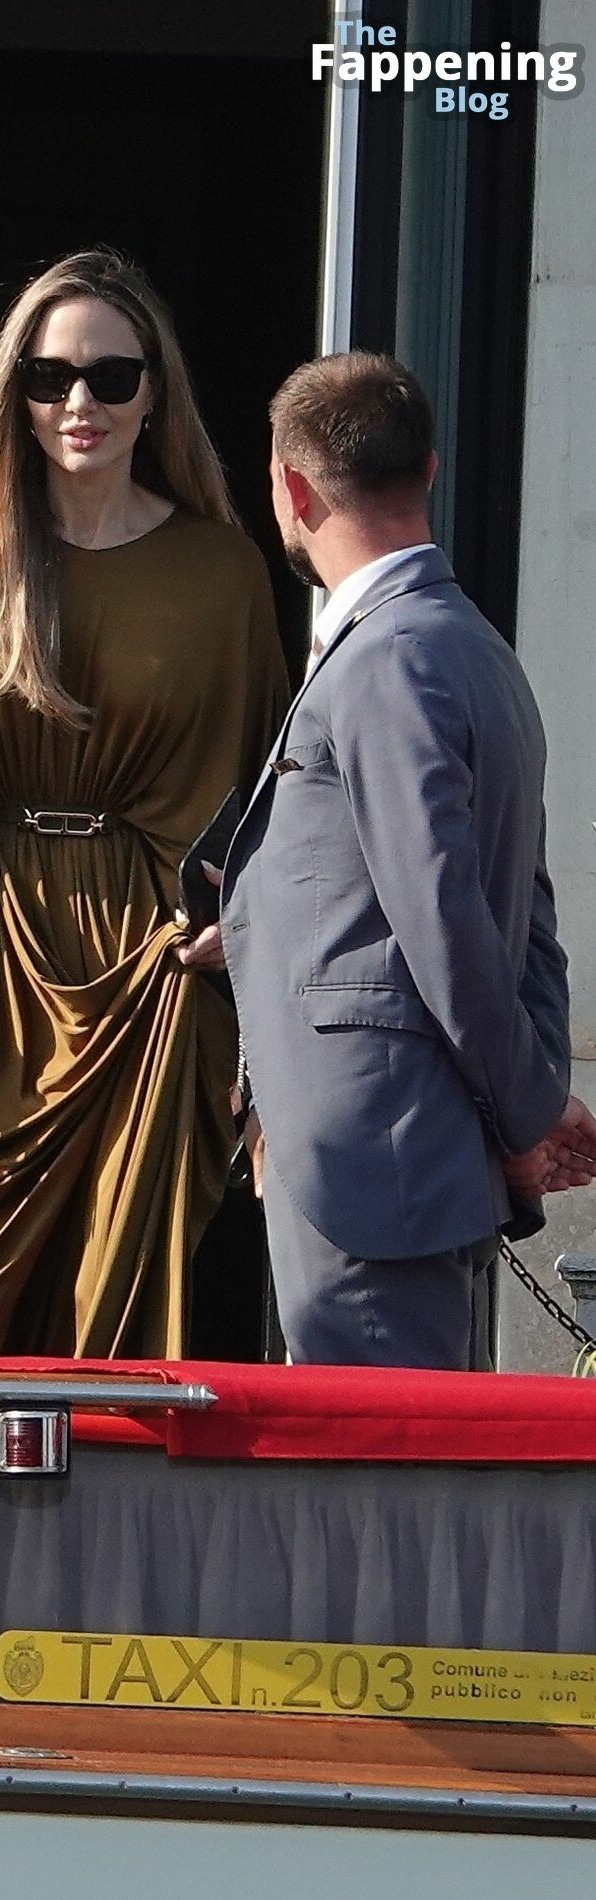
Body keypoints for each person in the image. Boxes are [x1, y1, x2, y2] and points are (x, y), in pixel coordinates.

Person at [0, 250, 290, 1359]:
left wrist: (251, 929)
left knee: (110, 1339)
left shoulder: (221, 572)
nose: (81, 403)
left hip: (145, 970)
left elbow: (274, 794)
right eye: (49, 377)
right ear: (14, 394)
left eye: (113, 378)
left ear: (155, 393)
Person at [221, 351, 596, 1367]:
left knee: (370, 1461)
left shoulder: (386, 654)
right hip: (415, 1160)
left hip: (377, 1165)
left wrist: (527, 1112)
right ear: (428, 470)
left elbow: (445, 920)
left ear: (293, 489)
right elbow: (524, 911)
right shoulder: (474, 647)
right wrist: (531, 1093)